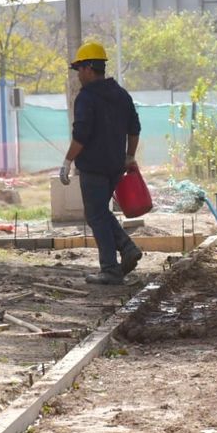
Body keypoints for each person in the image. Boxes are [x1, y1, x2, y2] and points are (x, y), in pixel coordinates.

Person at [59, 41, 143, 285]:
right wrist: (129, 156)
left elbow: (81, 136)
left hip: (93, 168)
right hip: (115, 167)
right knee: (100, 213)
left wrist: (67, 161)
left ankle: (112, 267)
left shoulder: (86, 98)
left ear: (88, 69)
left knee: (95, 215)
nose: (78, 76)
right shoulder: (121, 94)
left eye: (79, 70)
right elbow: (134, 128)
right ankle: (125, 251)